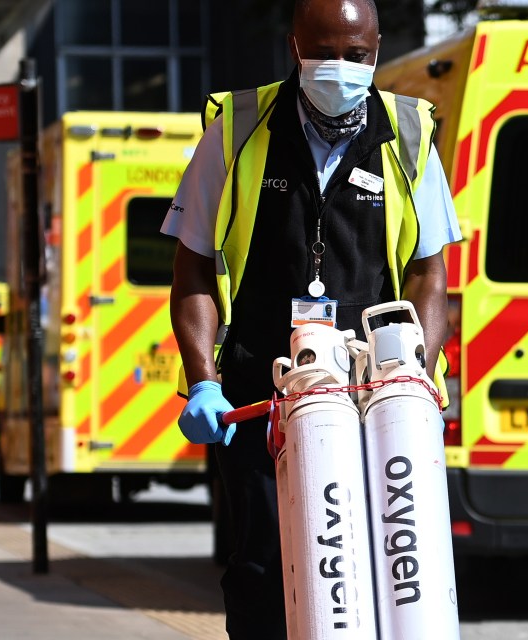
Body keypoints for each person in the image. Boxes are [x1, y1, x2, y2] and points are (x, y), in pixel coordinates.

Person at [162, 0, 461, 636]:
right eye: (326, 52)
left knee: (384, 568)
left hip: (369, 395)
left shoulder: (408, 135)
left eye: (358, 56)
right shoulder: (239, 130)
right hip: (260, 396)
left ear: (376, 49)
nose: (343, 68)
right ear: (295, 45)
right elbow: (191, 271)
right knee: (265, 572)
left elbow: (430, 275)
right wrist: (203, 379)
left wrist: (417, 371)